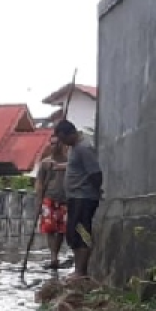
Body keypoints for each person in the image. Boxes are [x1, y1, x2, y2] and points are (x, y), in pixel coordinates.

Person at [55, 119, 102, 279]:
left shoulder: (84, 148)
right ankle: (78, 270)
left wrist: (95, 192)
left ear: (71, 134)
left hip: (84, 197)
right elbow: (75, 167)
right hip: (75, 197)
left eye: (63, 139)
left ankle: (81, 272)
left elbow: (95, 173)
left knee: (81, 233)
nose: (63, 143)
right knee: (73, 234)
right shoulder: (74, 148)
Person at [34, 135, 68, 270]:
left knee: (62, 230)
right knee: (49, 229)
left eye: (57, 143)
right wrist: (39, 202)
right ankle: (53, 257)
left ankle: (55, 256)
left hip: (65, 200)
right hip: (49, 199)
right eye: (52, 143)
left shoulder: (69, 162)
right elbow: (39, 184)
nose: (54, 146)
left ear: (62, 145)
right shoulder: (45, 163)